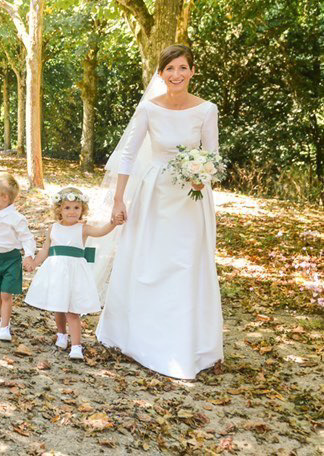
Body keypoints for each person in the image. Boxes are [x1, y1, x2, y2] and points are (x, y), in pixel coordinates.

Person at [95, 45, 224, 379]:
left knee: (185, 264)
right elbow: (128, 155)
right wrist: (119, 199)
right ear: (161, 73)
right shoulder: (149, 110)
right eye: (169, 69)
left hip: (191, 199)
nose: (176, 75)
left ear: (192, 71)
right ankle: (137, 336)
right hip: (153, 193)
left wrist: (202, 178)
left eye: (182, 68)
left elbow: (212, 155)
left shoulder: (207, 110)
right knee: (148, 260)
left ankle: (187, 346)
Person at [25, 187, 118, 359]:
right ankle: (61, 334)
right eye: (67, 208)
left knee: (72, 310)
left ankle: (76, 346)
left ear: (82, 209)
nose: (72, 212)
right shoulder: (53, 228)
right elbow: (45, 250)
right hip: (56, 272)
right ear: (59, 209)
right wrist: (34, 263)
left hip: (75, 273)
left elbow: (101, 231)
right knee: (58, 305)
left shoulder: (83, 228)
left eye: (77, 208)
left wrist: (113, 223)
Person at [0, 173, 36, 342]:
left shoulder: (16, 218)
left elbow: (27, 237)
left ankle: (5, 326)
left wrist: (29, 255)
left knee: (6, 293)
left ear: (4, 197)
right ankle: (3, 319)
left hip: (11, 259)